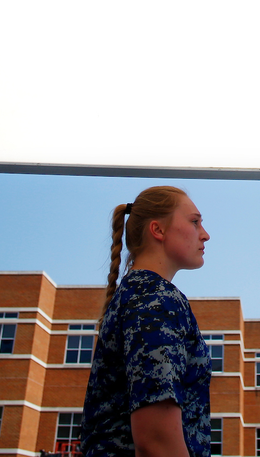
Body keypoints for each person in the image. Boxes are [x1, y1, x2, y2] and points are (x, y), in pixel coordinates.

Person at [81, 186, 212, 457]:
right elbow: (156, 441)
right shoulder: (154, 299)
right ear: (158, 230)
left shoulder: (139, 294)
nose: (205, 234)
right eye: (194, 222)